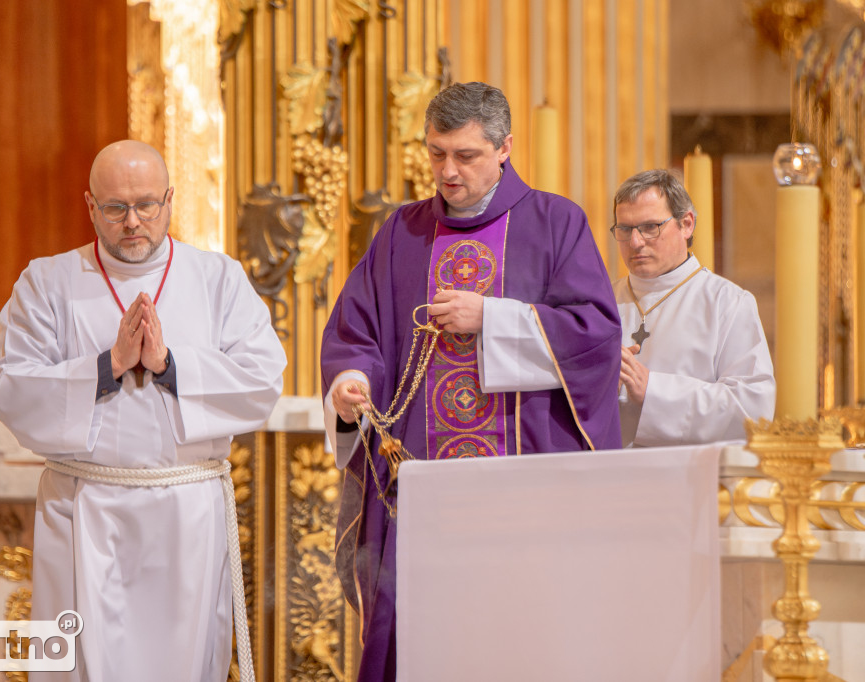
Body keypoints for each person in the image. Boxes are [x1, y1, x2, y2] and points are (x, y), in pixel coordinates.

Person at [320, 82, 621, 682]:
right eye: (436, 154)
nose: (448, 171)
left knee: (522, 640)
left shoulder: (555, 222)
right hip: (419, 491)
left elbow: (595, 334)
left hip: (527, 493)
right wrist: (351, 383)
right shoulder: (402, 233)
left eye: (466, 155)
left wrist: (493, 319)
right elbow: (358, 331)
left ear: (505, 147)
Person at [0, 140, 286, 682]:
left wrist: (169, 366)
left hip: (187, 515)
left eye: (147, 205)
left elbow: (263, 380)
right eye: (115, 207)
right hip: (82, 510)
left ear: (170, 200)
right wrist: (107, 366)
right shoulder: (47, 283)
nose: (133, 222)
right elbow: (10, 385)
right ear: (89, 205)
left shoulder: (218, 279)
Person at [612, 169, 775, 447]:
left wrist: (653, 391)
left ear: (686, 224)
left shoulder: (727, 303)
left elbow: (752, 412)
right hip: (609, 477)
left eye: (651, 227)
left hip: (690, 478)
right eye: (625, 229)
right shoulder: (602, 300)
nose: (635, 242)